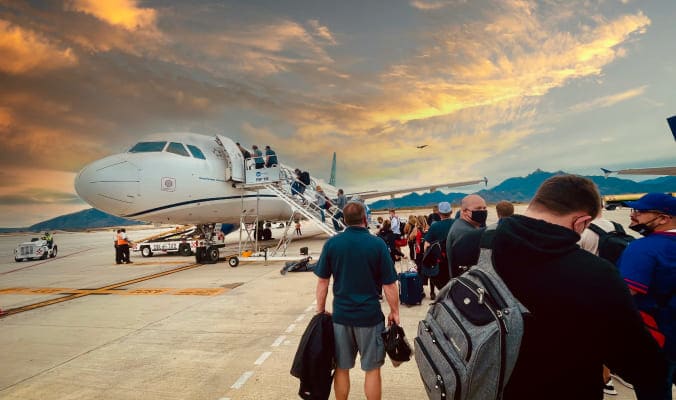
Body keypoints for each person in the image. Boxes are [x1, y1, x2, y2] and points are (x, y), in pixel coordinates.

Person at [490, 175, 666, 399]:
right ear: (581, 222)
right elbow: (642, 365)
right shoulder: (595, 274)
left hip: (492, 384)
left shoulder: (485, 245)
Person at [314, 201, 400, 400]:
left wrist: (320, 310)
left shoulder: (332, 244)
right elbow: (389, 285)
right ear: (364, 218)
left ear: (344, 220)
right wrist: (395, 312)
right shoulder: (377, 244)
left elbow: (323, 282)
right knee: (372, 370)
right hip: (369, 318)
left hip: (341, 318)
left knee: (341, 368)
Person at [619, 193, 676, 399]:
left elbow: (626, 293)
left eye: (640, 212)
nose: (633, 216)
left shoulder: (642, 248)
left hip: (656, 335)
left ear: (663, 218)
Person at [578, 218, 625, 396]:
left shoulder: (583, 231)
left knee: (590, 336)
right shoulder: (616, 226)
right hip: (613, 283)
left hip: (588, 288)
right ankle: (609, 374)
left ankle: (604, 378)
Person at [445, 194, 487, 278]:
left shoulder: (462, 225)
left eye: (484, 208)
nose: (482, 211)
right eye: (478, 208)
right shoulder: (464, 232)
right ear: (464, 211)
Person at [423, 201, 454, 300]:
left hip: (440, 261)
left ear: (439, 213)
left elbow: (427, 245)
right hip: (454, 260)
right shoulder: (457, 223)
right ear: (451, 212)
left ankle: (435, 294)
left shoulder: (435, 226)